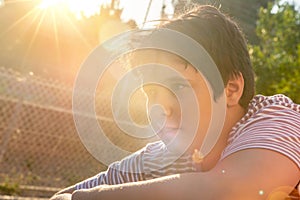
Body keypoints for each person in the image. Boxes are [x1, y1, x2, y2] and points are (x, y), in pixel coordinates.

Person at [50, 5, 300, 200]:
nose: (160, 108)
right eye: (150, 91)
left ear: (231, 89)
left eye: (179, 87)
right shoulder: (161, 157)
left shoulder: (278, 118)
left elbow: (231, 192)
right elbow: (62, 196)